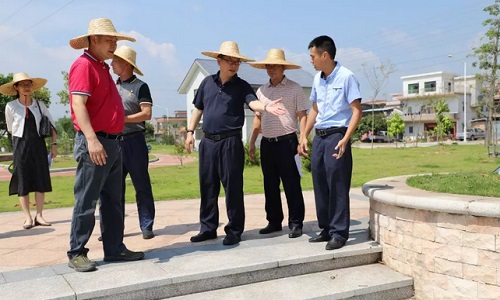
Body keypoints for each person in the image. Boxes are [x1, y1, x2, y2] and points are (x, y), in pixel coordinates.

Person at [185, 41, 286, 246]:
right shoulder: (207, 83)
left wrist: (265, 107)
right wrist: (189, 132)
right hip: (207, 142)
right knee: (208, 187)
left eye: (237, 62)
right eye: (229, 61)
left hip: (230, 142)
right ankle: (207, 228)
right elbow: (198, 109)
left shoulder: (241, 86)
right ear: (219, 61)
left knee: (233, 188)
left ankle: (234, 229)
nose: (233, 65)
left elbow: (252, 103)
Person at [67, 18, 144, 272]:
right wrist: (91, 140)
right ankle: (77, 251)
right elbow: (79, 105)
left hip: (113, 143)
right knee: (86, 200)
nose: (114, 44)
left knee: (113, 200)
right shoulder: (83, 66)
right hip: (96, 142)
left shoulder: (101, 67)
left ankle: (114, 248)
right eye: (109, 40)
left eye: (116, 40)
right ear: (94, 40)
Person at [298, 35, 362, 250]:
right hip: (320, 136)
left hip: (337, 136)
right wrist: (304, 135)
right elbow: (314, 110)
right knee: (320, 183)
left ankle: (339, 233)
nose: (311, 60)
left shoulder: (347, 77)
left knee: (337, 184)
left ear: (324, 55)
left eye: (312, 56)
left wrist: (346, 138)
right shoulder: (318, 79)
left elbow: (356, 111)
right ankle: (326, 228)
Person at [248, 49, 308, 239]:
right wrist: (251, 143)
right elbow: (257, 118)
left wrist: (303, 138)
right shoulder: (261, 91)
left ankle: (296, 223)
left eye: (275, 65)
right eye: (268, 65)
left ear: (284, 67)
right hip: (267, 144)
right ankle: (274, 222)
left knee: (291, 184)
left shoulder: (295, 88)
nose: (271, 69)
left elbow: (302, 116)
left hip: (287, 142)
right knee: (270, 185)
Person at [1, 72, 57, 229]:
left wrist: (54, 145)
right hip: (21, 147)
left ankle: (40, 215)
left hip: (38, 146)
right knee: (23, 181)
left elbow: (52, 126)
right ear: (16, 88)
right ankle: (27, 217)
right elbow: (11, 128)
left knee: (40, 180)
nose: (26, 87)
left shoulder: (40, 105)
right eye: (22, 84)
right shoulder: (11, 106)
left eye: (28, 84)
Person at [111, 45, 155, 240]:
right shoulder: (111, 86)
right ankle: (113, 228)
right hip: (113, 143)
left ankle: (146, 225)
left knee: (141, 185)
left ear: (126, 64)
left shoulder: (140, 86)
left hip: (135, 142)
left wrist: (123, 119)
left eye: (115, 61)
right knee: (113, 188)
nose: (112, 64)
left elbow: (147, 113)